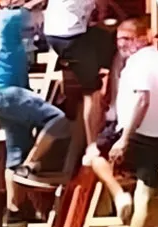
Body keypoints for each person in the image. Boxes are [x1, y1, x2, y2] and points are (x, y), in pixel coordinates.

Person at [86, 18, 158, 227]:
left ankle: (118, 193)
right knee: (144, 192)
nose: (123, 44)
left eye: (128, 38)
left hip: (137, 133)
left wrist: (124, 138)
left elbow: (142, 100)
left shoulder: (137, 63)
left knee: (93, 154)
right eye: (119, 39)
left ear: (143, 37)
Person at [0, 0, 69, 224]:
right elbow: (42, 17)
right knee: (58, 119)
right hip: (9, 91)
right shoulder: (15, 17)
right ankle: (30, 165)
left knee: (15, 150)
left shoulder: (3, 19)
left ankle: (14, 210)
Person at [43, 0, 116, 146]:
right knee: (92, 92)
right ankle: (92, 144)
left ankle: (103, 91)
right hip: (70, 35)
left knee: (105, 37)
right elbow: (102, 6)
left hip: (55, 32)